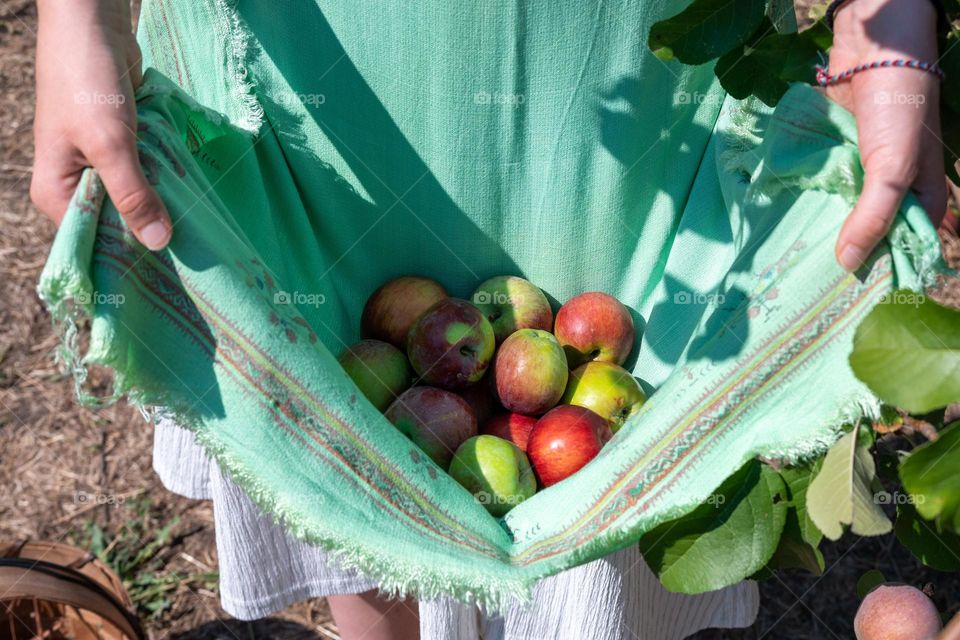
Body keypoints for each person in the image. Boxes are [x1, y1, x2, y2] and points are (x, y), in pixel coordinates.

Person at [30, 0, 956, 638]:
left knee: (612, 515)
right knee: (345, 473)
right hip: (301, 85)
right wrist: (80, 16)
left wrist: (887, 26)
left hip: (631, 91)